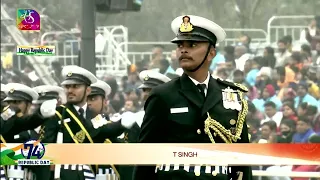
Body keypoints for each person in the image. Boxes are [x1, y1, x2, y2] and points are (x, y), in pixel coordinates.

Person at [133, 15, 252, 180]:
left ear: (211, 53)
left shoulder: (230, 95)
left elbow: (241, 159)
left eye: (192, 45)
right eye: (180, 45)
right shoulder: (163, 95)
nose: (183, 50)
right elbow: (145, 157)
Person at [39, 65, 136, 180]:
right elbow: (42, 152)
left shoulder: (95, 116)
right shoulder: (57, 114)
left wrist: (122, 125)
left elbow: (103, 137)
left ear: (88, 90)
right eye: (67, 86)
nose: (70, 90)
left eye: (75, 86)